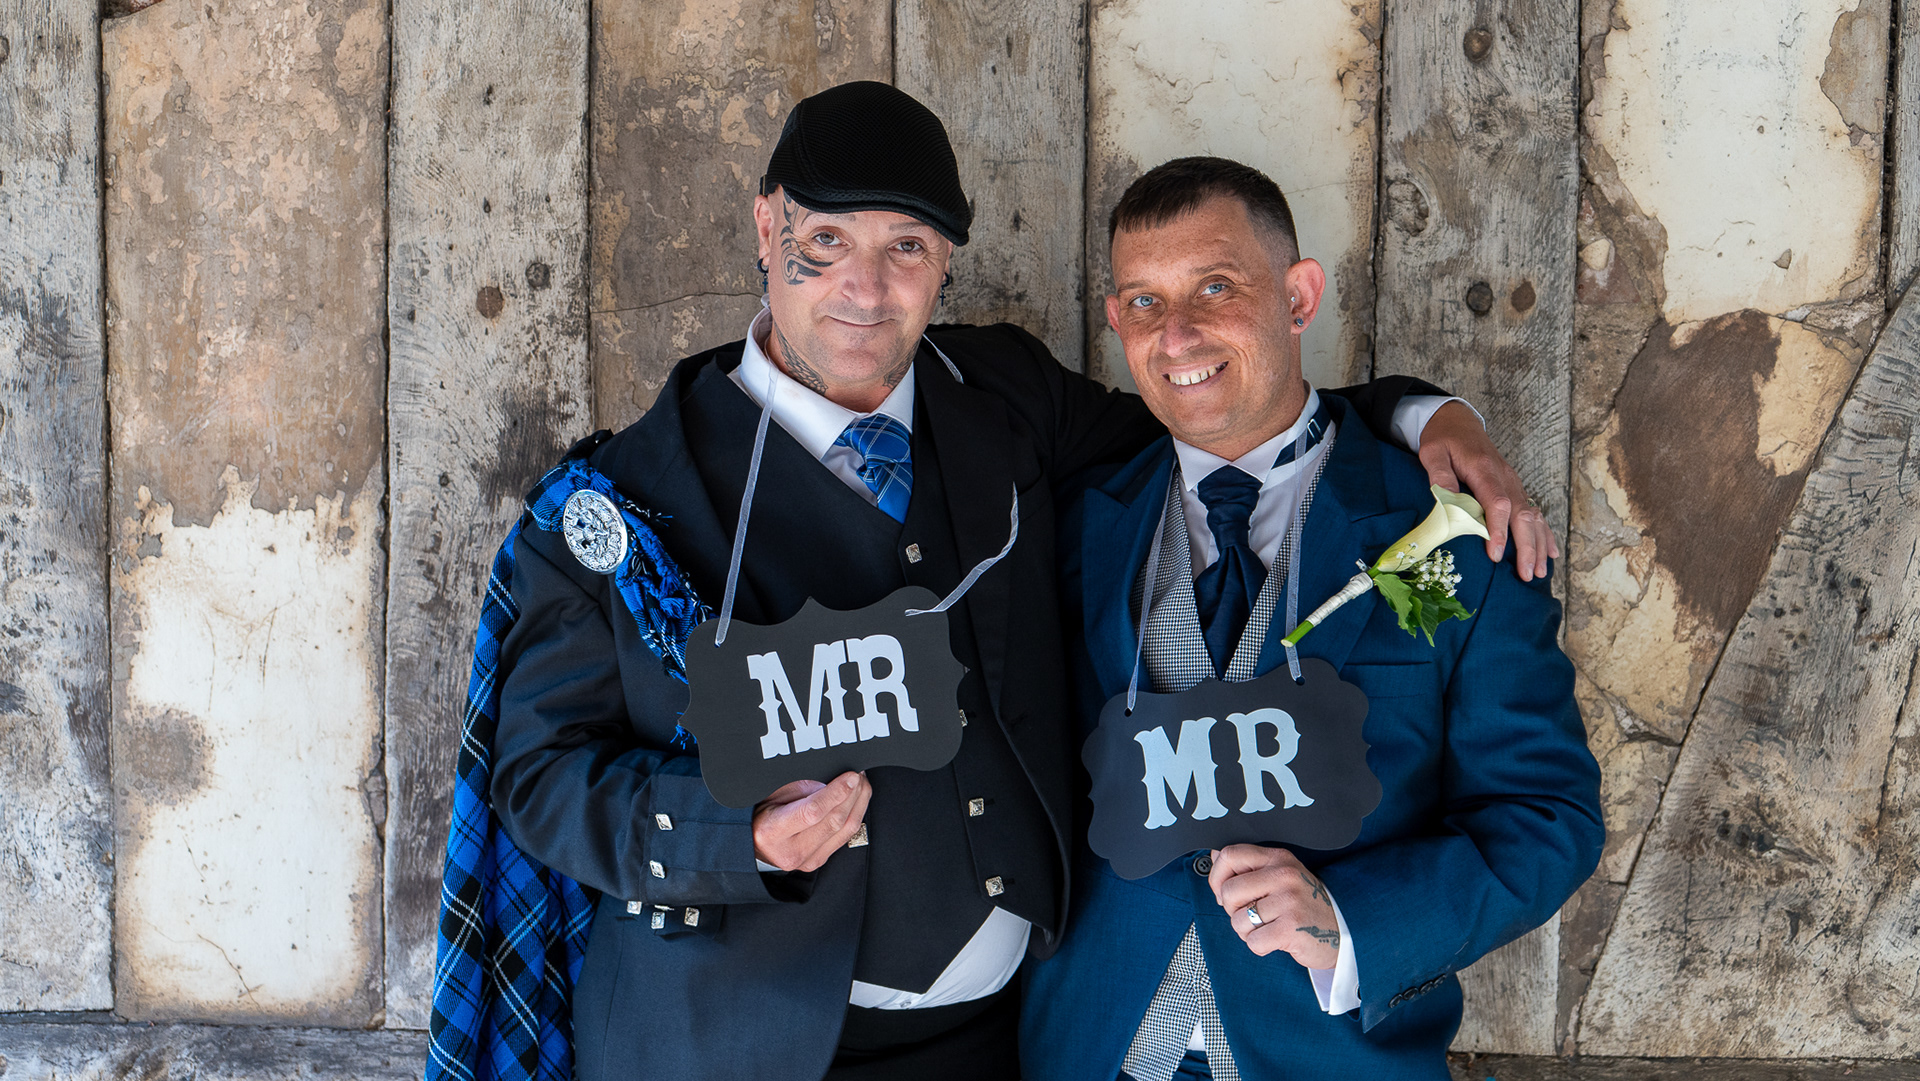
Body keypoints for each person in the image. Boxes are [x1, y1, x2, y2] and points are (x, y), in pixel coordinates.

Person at [486, 86, 1546, 1081]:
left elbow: (1226, 413)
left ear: (946, 260)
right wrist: (742, 837)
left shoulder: (1008, 397)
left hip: (1006, 1043)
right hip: (732, 1043)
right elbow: (537, 779)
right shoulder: (624, 501)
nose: (865, 288)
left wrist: (1427, 415)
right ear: (767, 228)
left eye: (906, 247)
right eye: (826, 242)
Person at [1019, 157, 1604, 1081]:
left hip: (1328, 1056)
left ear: (1298, 298)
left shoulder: (1456, 532)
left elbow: (1547, 816)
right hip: (1088, 1047)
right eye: (1143, 302)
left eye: (1216, 287)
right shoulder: (1074, 521)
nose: (1177, 333)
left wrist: (1349, 922)